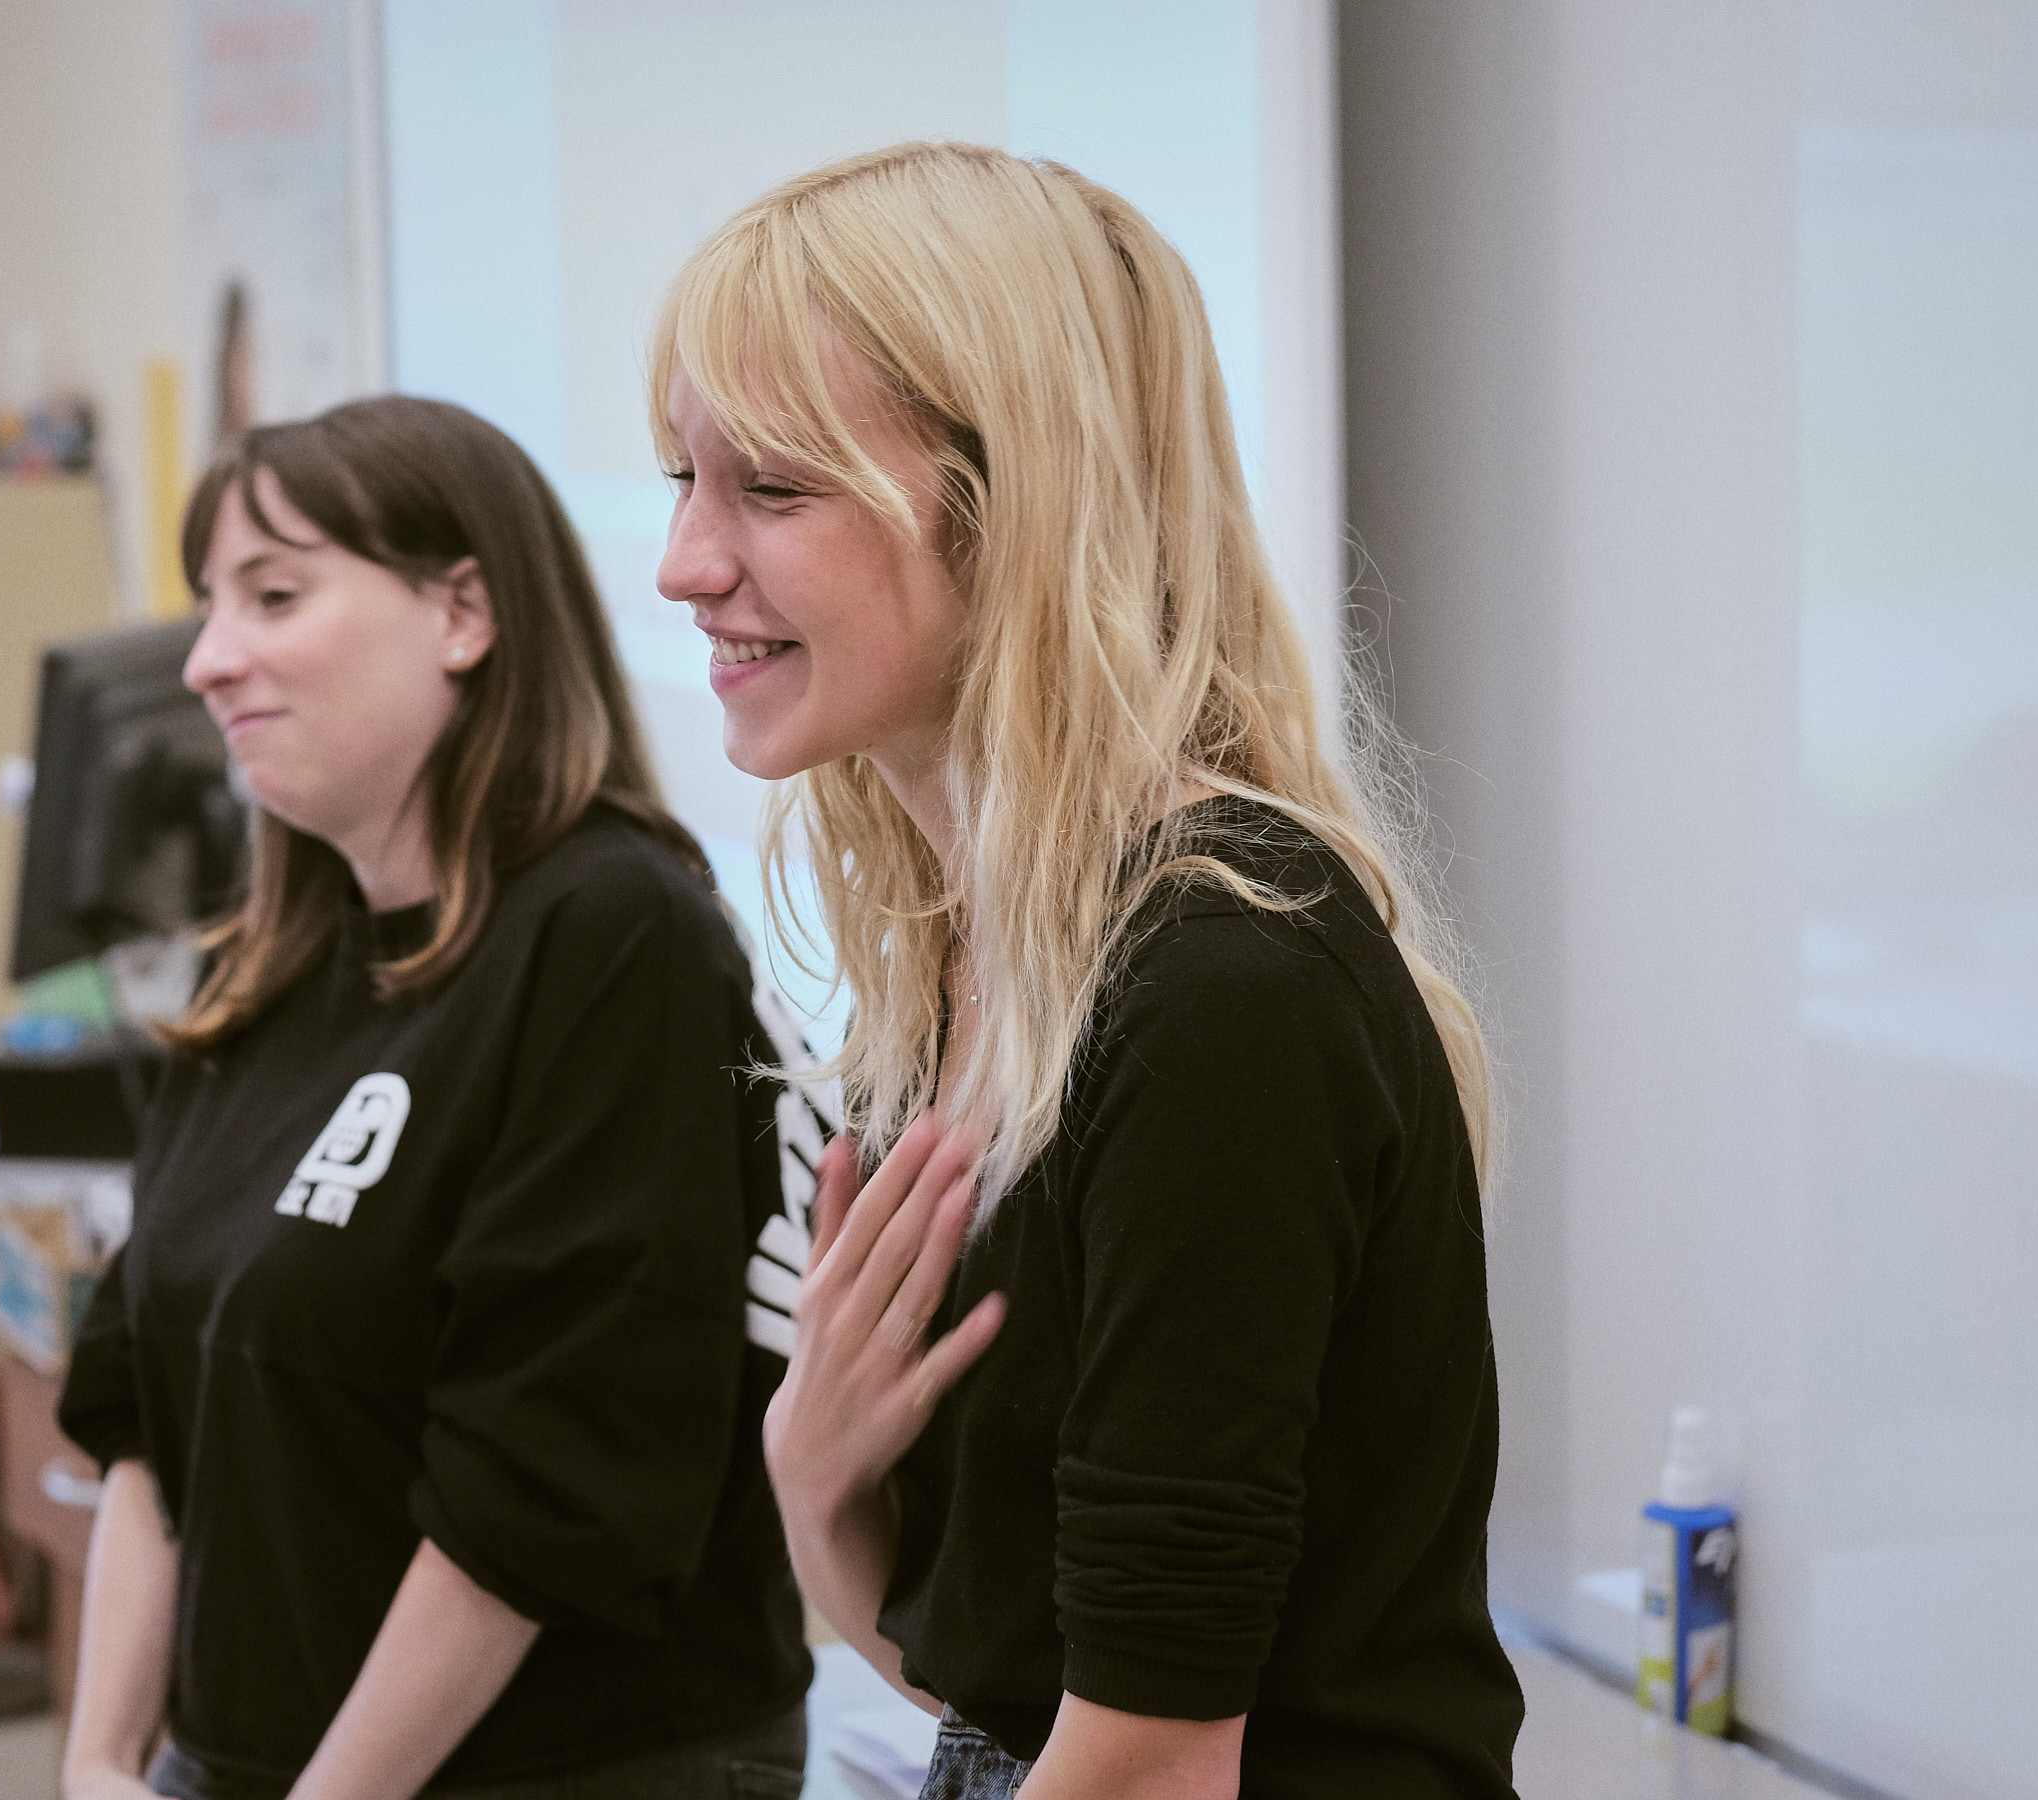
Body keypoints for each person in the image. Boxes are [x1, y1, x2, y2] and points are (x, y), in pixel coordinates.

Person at [652, 142, 1525, 1798]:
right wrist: (816, 1485)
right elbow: (999, 1683)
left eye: (772, 488)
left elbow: (1152, 1758)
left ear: (1014, 510)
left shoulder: (1218, 989)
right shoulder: (977, 959)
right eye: (684, 480)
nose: (685, 563)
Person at [57, 395, 812, 1800]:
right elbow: (145, 1410)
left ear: (462, 612)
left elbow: (542, 1489)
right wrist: (102, 1762)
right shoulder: (265, 972)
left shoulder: (615, 935)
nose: (209, 662)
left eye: (274, 595)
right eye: (209, 608)